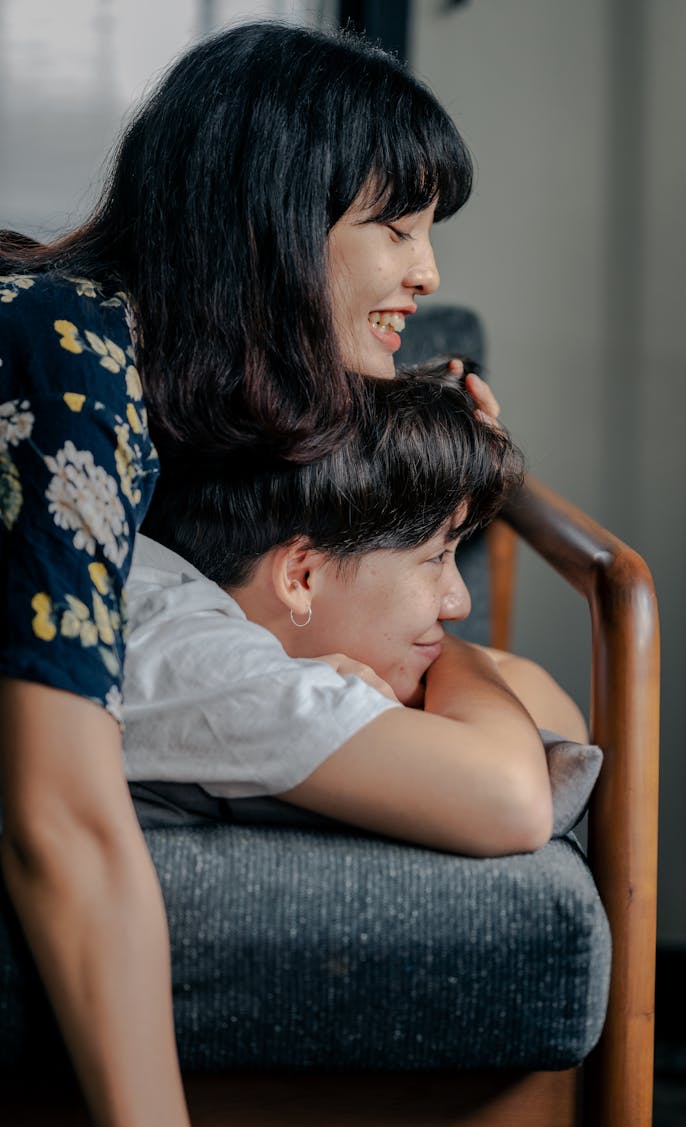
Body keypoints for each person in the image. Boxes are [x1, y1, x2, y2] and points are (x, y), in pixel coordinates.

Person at [0, 21, 501, 1125]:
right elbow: (63, 818)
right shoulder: (69, 354)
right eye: (396, 227)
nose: (427, 272)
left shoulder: (156, 375)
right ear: (274, 220)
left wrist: (429, 449)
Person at [123, 368, 585, 854]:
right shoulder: (205, 665)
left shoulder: (187, 603)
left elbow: (553, 706)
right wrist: (457, 657)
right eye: (435, 559)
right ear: (301, 577)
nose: (459, 603)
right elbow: (514, 800)